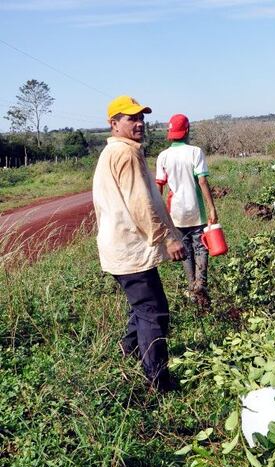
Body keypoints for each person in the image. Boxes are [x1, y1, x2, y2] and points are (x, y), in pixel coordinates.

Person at [92, 95, 185, 392]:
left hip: (120, 248)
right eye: (132, 118)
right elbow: (141, 204)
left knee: (142, 307)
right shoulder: (126, 154)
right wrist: (169, 238)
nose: (140, 123)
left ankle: (128, 351)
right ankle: (157, 381)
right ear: (114, 123)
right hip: (129, 249)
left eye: (141, 117)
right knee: (154, 312)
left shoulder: (115, 152)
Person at [155, 114, 218, 306]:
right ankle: (201, 285)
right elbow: (202, 181)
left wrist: (159, 215)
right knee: (201, 247)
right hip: (195, 210)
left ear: (171, 133)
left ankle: (192, 288)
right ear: (187, 131)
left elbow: (159, 186)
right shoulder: (195, 152)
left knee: (186, 250)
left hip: (175, 213)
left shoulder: (163, 156)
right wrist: (212, 209)